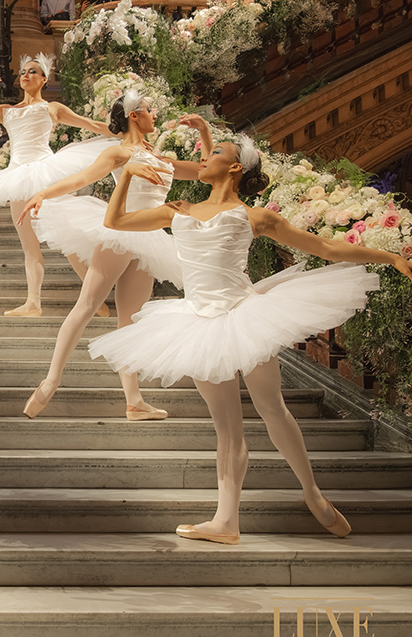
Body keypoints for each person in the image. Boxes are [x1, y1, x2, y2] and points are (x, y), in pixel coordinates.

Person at [90, 136, 412, 544]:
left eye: (214, 153)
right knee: (227, 429)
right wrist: (126, 177)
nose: (203, 157)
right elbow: (115, 222)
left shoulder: (255, 216)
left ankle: (312, 492)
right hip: (197, 323)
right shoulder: (178, 210)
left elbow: (326, 248)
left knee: (272, 407)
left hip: (245, 315)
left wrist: (390, 257)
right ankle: (226, 522)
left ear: (236, 167)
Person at [18, 94, 213, 421]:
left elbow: (208, 173)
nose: (154, 115)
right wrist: (42, 193)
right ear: (134, 115)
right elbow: (82, 178)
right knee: (87, 305)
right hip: (122, 231)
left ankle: (134, 401)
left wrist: (204, 132)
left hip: (148, 238)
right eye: (149, 110)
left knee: (130, 321)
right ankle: (51, 380)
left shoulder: (161, 159)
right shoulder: (120, 152)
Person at [0, 58, 115, 316]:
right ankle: (33, 303)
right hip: (18, 177)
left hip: (45, 173)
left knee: (66, 239)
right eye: (23, 72)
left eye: (33, 71)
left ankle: (96, 301)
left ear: (44, 79)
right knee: (29, 245)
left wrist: (129, 136)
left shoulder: (51, 108)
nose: (26, 75)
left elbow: (92, 125)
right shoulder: (7, 110)